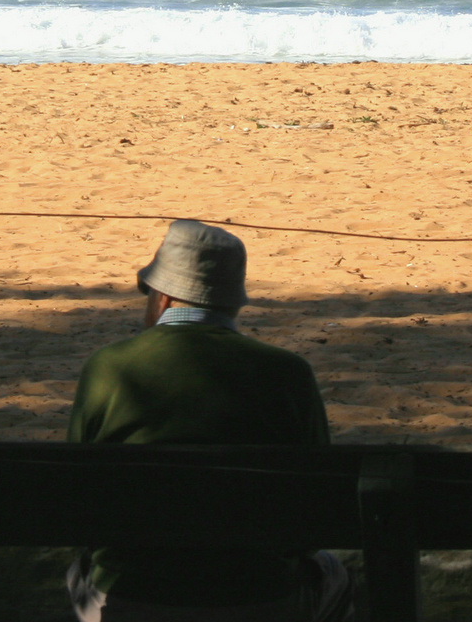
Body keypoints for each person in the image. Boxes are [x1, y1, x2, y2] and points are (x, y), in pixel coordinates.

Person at [66, 219, 354, 622]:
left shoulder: (108, 368)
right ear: (233, 302)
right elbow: (317, 508)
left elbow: (74, 492)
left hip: (133, 596)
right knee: (334, 574)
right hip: (258, 596)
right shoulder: (288, 373)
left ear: (162, 297)